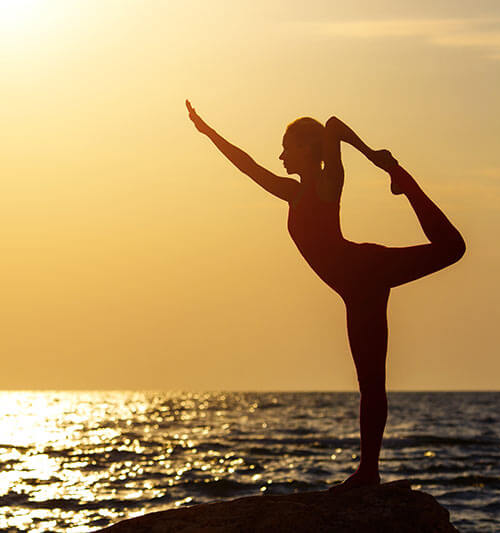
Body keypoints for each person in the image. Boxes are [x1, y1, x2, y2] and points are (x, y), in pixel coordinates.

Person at [185, 100, 465, 491]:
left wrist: (376, 159)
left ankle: (401, 179)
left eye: (287, 146)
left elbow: (332, 123)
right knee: (370, 383)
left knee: (453, 248)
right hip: (357, 289)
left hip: (366, 270)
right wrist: (209, 132)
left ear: (307, 148)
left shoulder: (327, 182)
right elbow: (246, 164)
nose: (281, 154)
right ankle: (369, 472)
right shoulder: (291, 192)